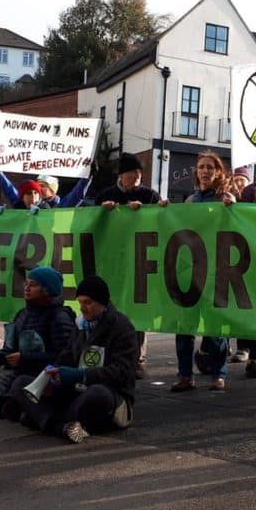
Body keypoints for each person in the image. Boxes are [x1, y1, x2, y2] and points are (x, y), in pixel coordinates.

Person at [10, 275, 139, 443]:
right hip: (74, 392)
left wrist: (81, 375)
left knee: (97, 393)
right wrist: (50, 378)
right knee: (21, 384)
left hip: (111, 395)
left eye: (88, 303)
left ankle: (47, 420)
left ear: (102, 303)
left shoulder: (122, 327)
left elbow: (122, 372)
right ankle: (63, 427)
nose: (83, 308)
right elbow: (66, 356)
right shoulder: (81, 324)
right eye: (80, 303)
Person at [94, 153, 167, 378]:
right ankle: (106, 356)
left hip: (140, 263)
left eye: (139, 173)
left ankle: (138, 359)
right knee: (108, 309)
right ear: (121, 175)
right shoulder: (106, 195)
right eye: (132, 173)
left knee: (138, 312)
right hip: (113, 262)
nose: (137, 177)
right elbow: (90, 220)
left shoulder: (148, 195)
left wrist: (156, 208)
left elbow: (163, 217)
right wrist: (101, 210)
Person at [0, 266, 76, 420]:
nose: (27, 288)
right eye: (26, 284)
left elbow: (65, 357)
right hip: (20, 373)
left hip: (44, 378)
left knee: (10, 410)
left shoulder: (59, 317)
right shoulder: (22, 315)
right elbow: (12, 348)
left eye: (33, 285)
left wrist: (25, 358)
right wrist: (0, 356)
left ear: (46, 290)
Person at [172, 150, 232, 392]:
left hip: (216, 272)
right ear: (196, 172)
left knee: (215, 327)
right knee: (184, 327)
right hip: (191, 273)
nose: (205, 171)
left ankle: (219, 373)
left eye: (210, 167)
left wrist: (233, 208)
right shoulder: (190, 201)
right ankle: (185, 375)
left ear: (218, 172)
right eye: (202, 167)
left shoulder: (226, 199)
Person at [226, 177, 256, 378]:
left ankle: (254, 359)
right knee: (244, 308)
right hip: (245, 268)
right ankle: (243, 348)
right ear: (255, 196)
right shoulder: (245, 213)